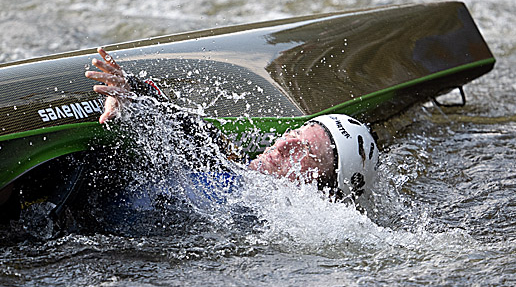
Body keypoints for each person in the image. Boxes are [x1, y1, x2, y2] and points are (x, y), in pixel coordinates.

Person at [84, 46, 379, 208]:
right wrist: (131, 92)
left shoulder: (265, 216)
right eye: (296, 133)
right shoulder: (232, 161)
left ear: (321, 188)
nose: (286, 143)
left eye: (306, 150)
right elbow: (187, 127)